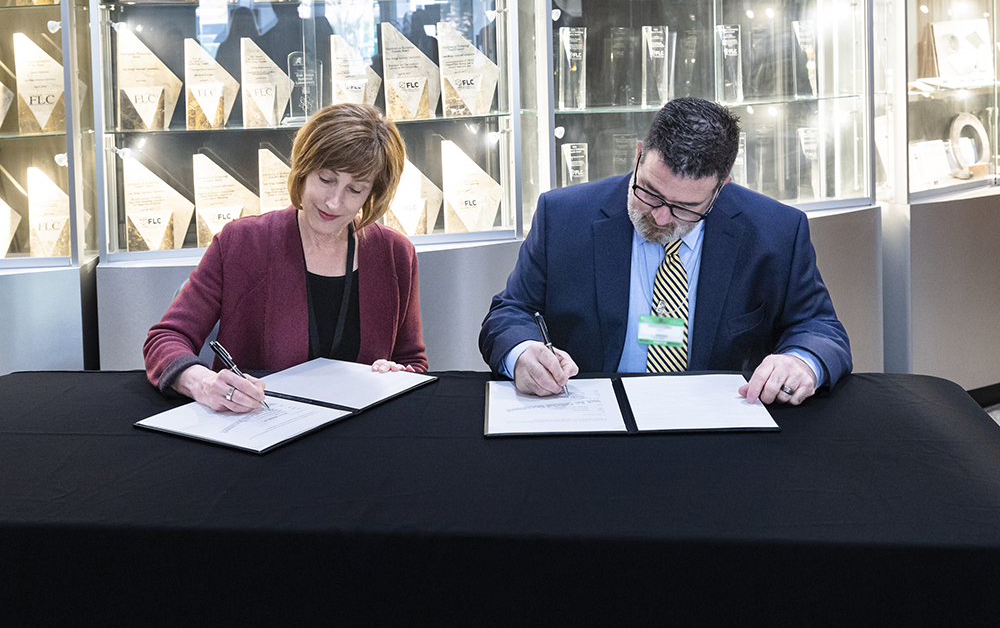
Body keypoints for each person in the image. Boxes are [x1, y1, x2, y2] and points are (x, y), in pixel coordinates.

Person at [479, 97, 851, 405]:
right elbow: (510, 313)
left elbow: (820, 328)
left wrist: (801, 361)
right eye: (650, 193)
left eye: (685, 208)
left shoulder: (776, 231)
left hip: (718, 426)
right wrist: (523, 353)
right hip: (594, 417)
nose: (659, 216)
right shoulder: (563, 216)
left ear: (722, 186)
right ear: (640, 154)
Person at [144, 103, 427, 413]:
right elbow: (166, 338)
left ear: (374, 192)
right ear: (304, 169)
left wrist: (399, 376)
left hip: (359, 435)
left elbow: (412, 361)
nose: (334, 202)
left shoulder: (396, 254)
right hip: (258, 430)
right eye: (326, 179)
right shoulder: (240, 243)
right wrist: (202, 382)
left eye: (355, 189)